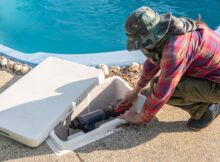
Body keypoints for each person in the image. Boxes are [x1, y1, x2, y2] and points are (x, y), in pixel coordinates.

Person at [120, 6, 220, 130]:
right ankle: (207, 97)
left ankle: (206, 110)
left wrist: (138, 117)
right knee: (154, 87)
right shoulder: (171, 28)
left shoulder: (175, 50)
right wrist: (135, 91)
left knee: (166, 92)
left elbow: (163, 92)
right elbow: (152, 62)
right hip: (211, 73)